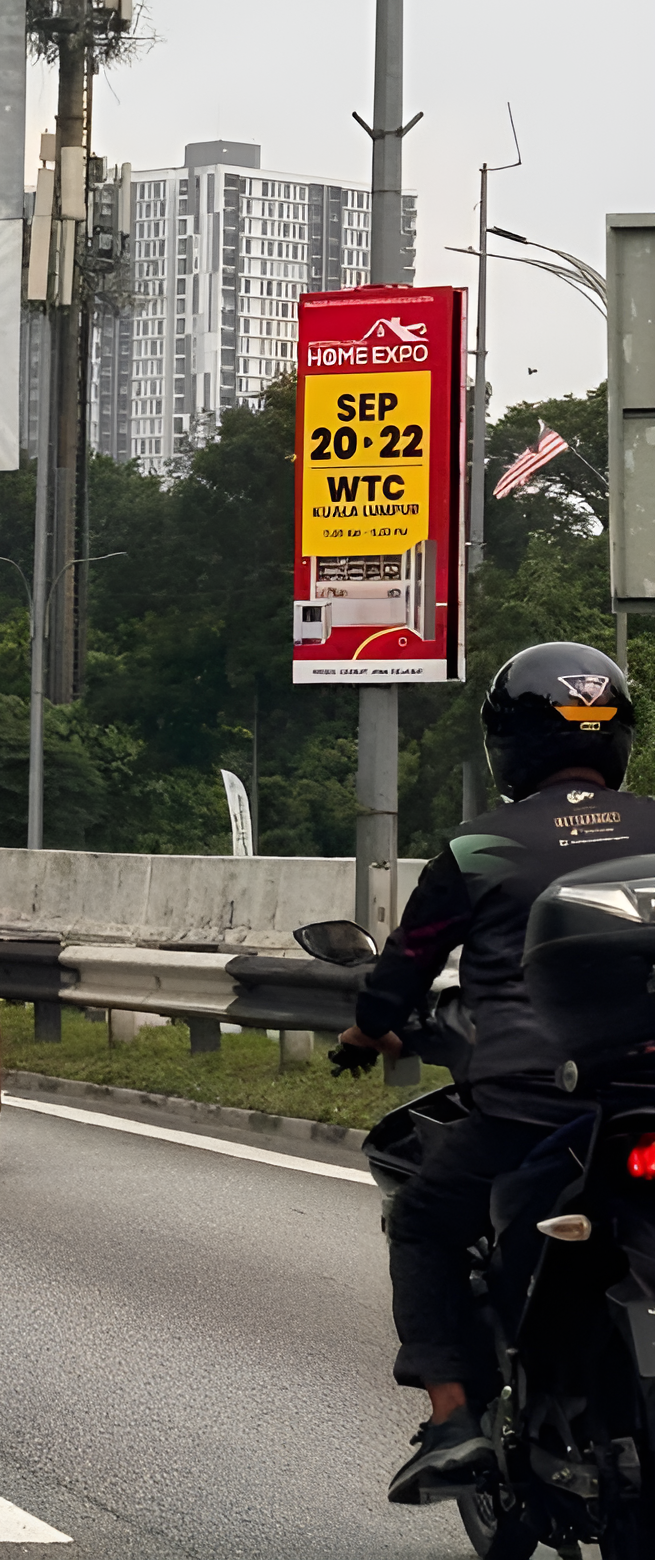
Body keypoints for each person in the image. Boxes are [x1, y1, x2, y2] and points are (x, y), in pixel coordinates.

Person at [336, 641, 655, 1505]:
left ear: (508, 741)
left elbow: (404, 968)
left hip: (535, 1106)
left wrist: (367, 1035)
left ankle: (453, 1420)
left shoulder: (478, 848)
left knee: (423, 1220)